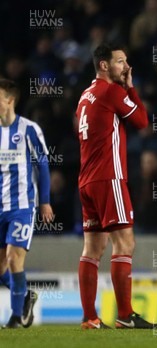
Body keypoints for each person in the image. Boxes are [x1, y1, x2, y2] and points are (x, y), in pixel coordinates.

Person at [75, 43, 157, 329]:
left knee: (92, 248)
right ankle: (125, 315)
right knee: (125, 243)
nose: (126, 67)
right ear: (104, 66)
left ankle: (90, 318)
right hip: (108, 178)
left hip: (86, 180)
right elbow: (142, 121)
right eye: (121, 62)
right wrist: (131, 89)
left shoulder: (85, 95)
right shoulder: (112, 92)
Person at [0, 79, 53, 328]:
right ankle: (25, 298)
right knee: (1, 268)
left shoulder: (29, 129)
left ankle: (14, 318)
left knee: (13, 258)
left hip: (22, 207)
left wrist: (45, 202)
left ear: (9, 100)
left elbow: (42, 165)